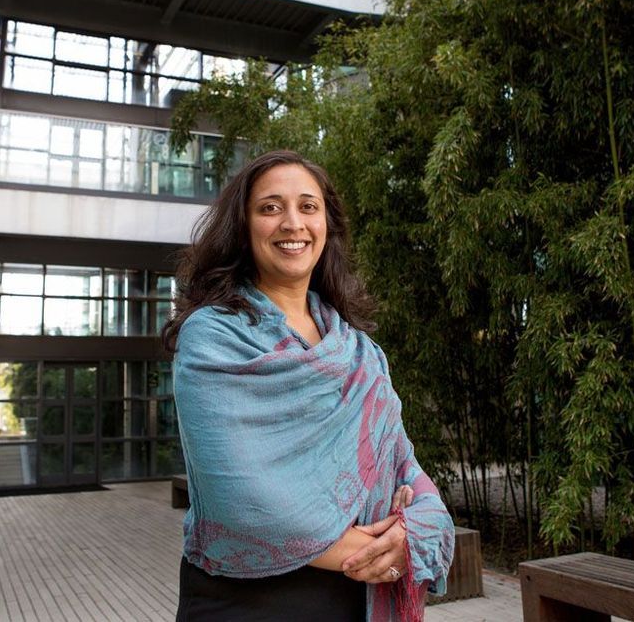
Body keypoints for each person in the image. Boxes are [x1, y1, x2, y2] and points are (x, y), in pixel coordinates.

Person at [164, 150, 454, 621]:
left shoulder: (357, 349)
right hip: (248, 603)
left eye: (308, 206)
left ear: (326, 225)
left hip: (356, 602)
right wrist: (385, 552)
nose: (292, 223)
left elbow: (403, 462)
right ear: (243, 227)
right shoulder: (213, 337)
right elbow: (241, 500)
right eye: (270, 207)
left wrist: (421, 527)